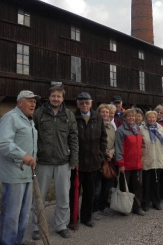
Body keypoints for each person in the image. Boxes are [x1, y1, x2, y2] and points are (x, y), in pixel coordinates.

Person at [31, 86, 78, 240]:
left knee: (64, 196)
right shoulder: (39, 113)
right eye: (53, 96)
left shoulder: (69, 115)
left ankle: (61, 225)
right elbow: (32, 136)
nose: (56, 99)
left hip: (63, 162)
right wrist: (33, 157)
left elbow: (73, 138)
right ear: (49, 97)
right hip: (42, 161)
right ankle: (37, 227)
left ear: (63, 98)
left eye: (59, 96)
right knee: (39, 197)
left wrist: (74, 159)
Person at [0, 90, 40, 245]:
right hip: (13, 174)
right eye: (30, 101)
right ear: (20, 102)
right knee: (11, 214)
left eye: (34, 101)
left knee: (23, 214)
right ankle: (7, 243)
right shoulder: (11, 117)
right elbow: (3, 143)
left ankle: (18, 242)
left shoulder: (29, 120)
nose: (33, 104)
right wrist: (23, 155)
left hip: (27, 173)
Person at [69, 92, 107, 228]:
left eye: (87, 102)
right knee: (73, 193)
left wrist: (100, 155)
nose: (84, 105)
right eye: (81, 103)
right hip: (76, 163)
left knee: (89, 193)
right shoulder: (72, 116)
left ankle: (86, 217)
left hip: (93, 162)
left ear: (91, 103)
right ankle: (73, 219)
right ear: (77, 104)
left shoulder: (97, 117)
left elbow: (103, 138)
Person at [114, 109, 145, 216]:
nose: (131, 118)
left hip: (137, 164)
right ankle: (124, 207)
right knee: (124, 188)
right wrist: (120, 163)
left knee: (138, 185)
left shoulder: (137, 129)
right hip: (126, 164)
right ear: (125, 118)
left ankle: (137, 207)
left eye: (133, 116)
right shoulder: (120, 131)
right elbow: (118, 148)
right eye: (129, 116)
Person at [140, 111, 163, 211]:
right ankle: (145, 202)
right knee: (146, 183)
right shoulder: (141, 128)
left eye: (153, 117)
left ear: (156, 118)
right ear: (146, 118)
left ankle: (156, 202)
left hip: (158, 158)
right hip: (147, 158)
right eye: (149, 117)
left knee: (156, 182)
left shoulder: (160, 128)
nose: (151, 119)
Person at [93, 104, 116, 219]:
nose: (105, 114)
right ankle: (95, 209)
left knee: (107, 186)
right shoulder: (95, 126)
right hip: (99, 159)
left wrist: (112, 152)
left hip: (109, 160)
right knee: (97, 187)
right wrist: (106, 153)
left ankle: (103, 206)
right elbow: (95, 143)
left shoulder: (111, 127)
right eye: (103, 112)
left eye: (107, 112)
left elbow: (114, 142)